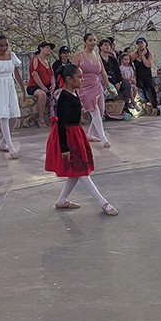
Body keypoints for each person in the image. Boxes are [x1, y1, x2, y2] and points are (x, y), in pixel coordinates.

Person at [45, 64, 118, 216]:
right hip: (69, 136)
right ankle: (103, 202)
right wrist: (64, 147)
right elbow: (61, 124)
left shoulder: (74, 94)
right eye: (79, 77)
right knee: (81, 170)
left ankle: (62, 200)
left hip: (76, 133)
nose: (82, 80)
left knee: (76, 171)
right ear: (69, 79)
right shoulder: (64, 97)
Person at [73, 33, 114, 148]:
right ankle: (103, 138)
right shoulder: (79, 55)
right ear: (85, 42)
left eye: (94, 40)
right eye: (90, 40)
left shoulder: (97, 55)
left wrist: (108, 87)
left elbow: (103, 72)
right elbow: (72, 72)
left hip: (97, 85)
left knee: (101, 111)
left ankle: (90, 134)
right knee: (94, 111)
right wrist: (72, 88)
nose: (93, 42)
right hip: (84, 87)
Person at [27, 42, 56, 128]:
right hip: (34, 86)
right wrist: (42, 87)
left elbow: (51, 75)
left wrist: (53, 84)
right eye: (47, 48)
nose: (49, 50)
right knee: (42, 95)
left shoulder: (47, 62)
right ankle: (40, 118)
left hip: (47, 86)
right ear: (41, 49)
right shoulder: (36, 59)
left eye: (50, 48)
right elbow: (34, 74)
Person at [98, 38, 127, 112]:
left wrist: (119, 82)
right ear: (100, 47)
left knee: (127, 85)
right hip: (102, 81)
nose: (108, 47)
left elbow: (118, 72)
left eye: (109, 45)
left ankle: (124, 107)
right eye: (105, 45)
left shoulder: (113, 60)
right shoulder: (97, 59)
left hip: (114, 80)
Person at [133, 37, 157, 111]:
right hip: (139, 76)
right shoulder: (134, 54)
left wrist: (143, 56)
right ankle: (147, 104)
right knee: (140, 91)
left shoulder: (149, 54)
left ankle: (154, 107)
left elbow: (148, 65)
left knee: (151, 90)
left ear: (145, 44)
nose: (140, 45)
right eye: (138, 44)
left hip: (147, 76)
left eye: (141, 43)